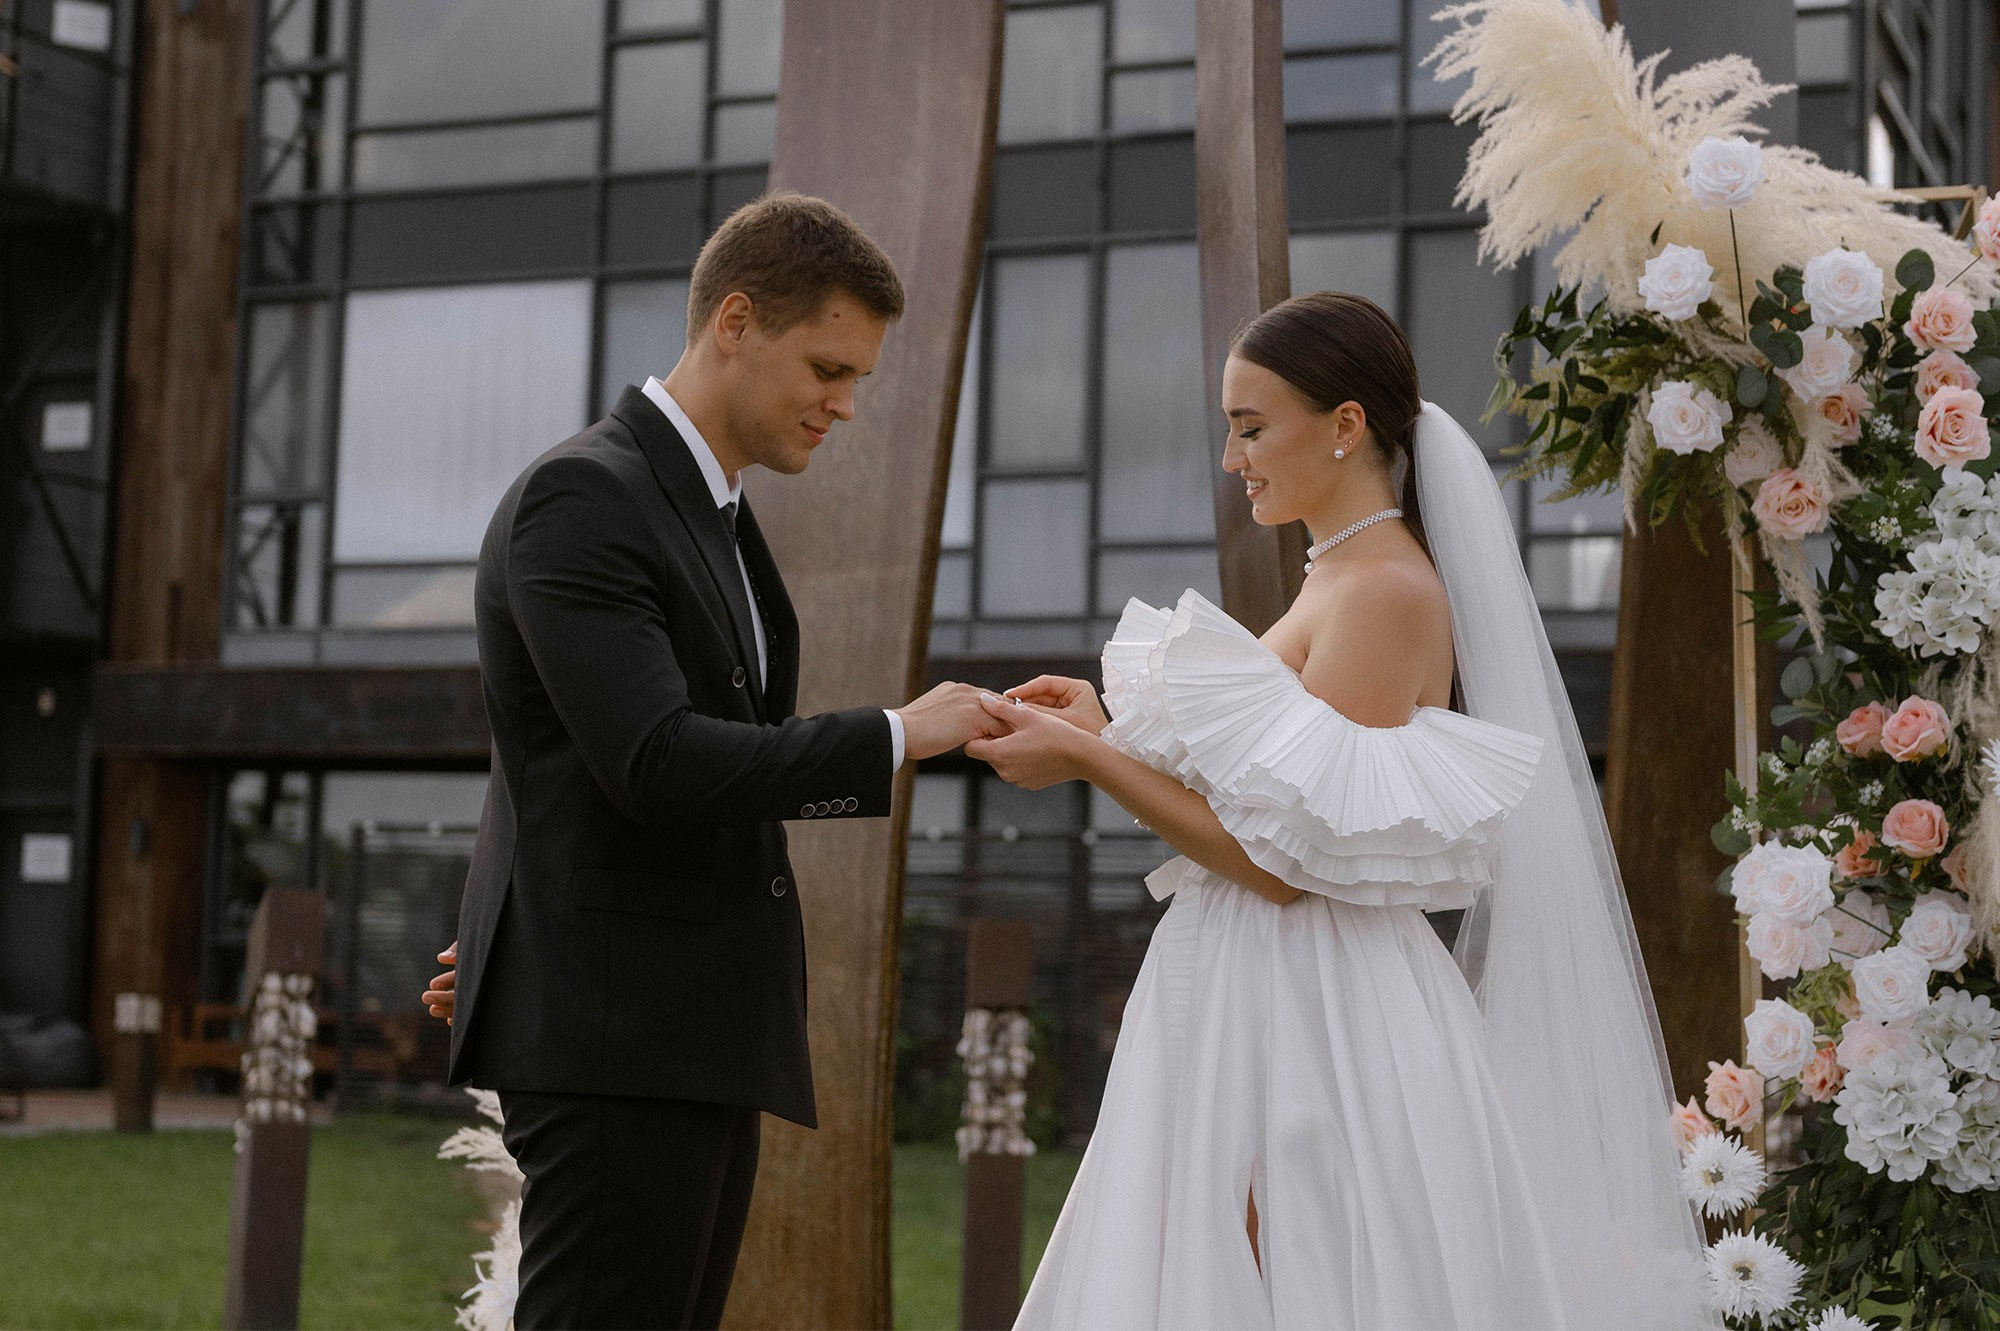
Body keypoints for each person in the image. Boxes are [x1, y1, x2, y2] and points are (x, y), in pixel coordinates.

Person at [967, 292, 1711, 1329]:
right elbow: (1270, 792)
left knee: (1295, 1270)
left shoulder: (1383, 593)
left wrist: (1091, 761)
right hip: (1250, 978)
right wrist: (1104, 726)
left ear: (1346, 423)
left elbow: (1282, 863)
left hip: (1312, 1002)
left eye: (1250, 426)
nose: (1232, 458)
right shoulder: (1333, 576)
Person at [422, 192, 1004, 1331]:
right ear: (734, 318)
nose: (842, 404)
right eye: (827, 368)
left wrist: (514, 917)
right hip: (615, 1040)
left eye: (858, 381)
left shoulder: (713, 513)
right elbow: (653, 760)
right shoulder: (582, 495)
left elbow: (562, 758)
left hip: (674, 1031)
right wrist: (899, 733)